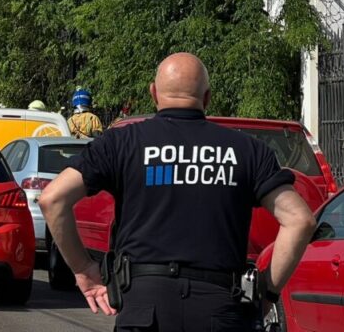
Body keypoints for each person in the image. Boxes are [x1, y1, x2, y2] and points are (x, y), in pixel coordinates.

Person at [40, 53, 316, 331]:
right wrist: (266, 293)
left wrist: (83, 270)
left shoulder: (121, 143)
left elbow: (53, 199)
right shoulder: (247, 150)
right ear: (207, 97)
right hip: (221, 308)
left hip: (144, 308)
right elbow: (300, 220)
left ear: (153, 93)